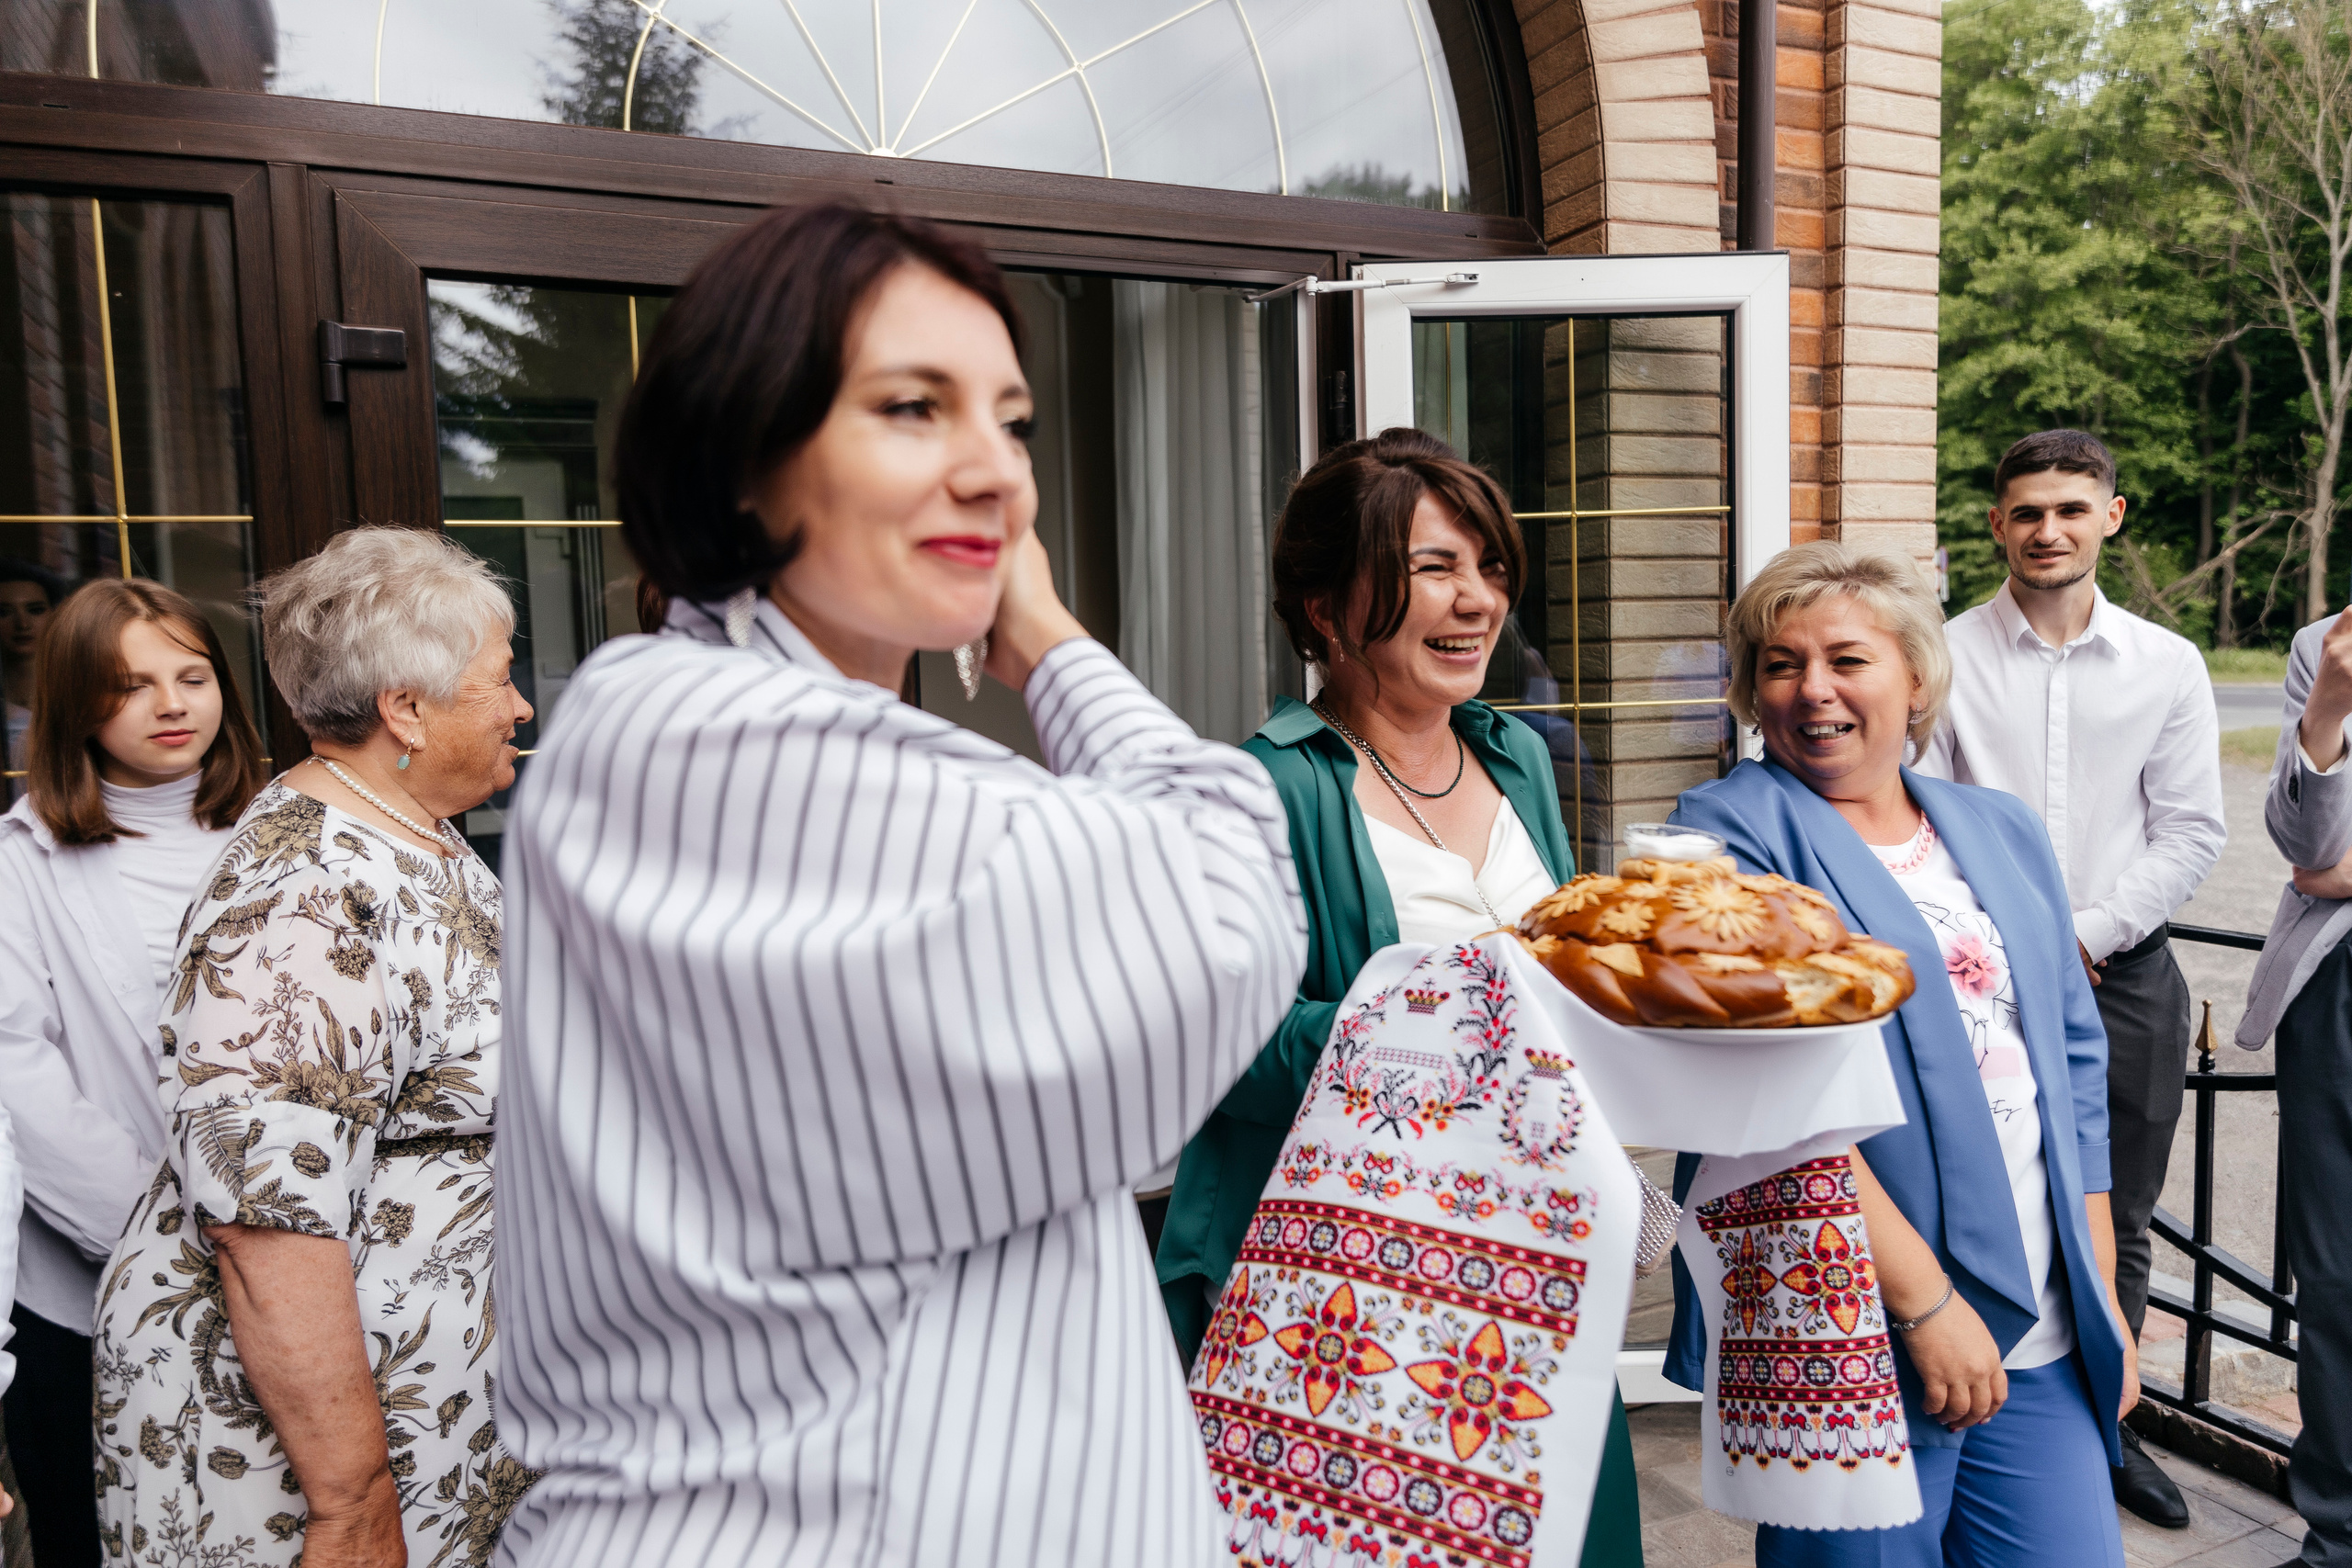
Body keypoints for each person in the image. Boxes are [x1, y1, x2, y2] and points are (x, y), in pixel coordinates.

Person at [490, 203, 1306, 1567]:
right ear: (743, 461)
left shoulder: (841, 750)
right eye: (914, 407)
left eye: (1013, 419)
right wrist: (1047, 639)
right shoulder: (690, 732)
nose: (997, 474)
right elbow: (1225, 902)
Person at [1152, 426, 1645, 1566]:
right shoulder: (1257, 789)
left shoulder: (1515, 755)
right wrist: (1468, 1013)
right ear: (1326, 609)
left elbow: (1563, 971)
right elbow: (1222, 1052)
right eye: (1434, 569)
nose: (1477, 600)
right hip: (1357, 1299)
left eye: (1486, 567)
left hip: (1530, 1259)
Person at [1667, 540, 2133, 1567]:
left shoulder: (1998, 828)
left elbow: (2072, 1065)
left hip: (2041, 1320)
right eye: (1780, 665)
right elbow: (1768, 1105)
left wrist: (2098, 1295)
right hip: (1852, 1322)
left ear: (1916, 676)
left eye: (1847, 659)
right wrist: (1924, 1308)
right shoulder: (1722, 838)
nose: (1812, 691)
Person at [92, 527, 536, 1566]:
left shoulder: (414, 829)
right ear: (406, 710)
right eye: (501, 681)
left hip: (430, 1406)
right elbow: (268, 1223)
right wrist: (350, 1500)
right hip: (308, 1455)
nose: (520, 707)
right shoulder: (301, 892)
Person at [1917, 428, 2222, 1529]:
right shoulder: (1942, 655)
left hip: (2124, 974)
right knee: (1981, 1185)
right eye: (2026, 511)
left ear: (2111, 515)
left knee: (2120, 1210)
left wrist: (2080, 937)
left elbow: (2191, 831)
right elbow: (1921, 813)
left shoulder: (2167, 664)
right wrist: (2014, 950)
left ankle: (2110, 1423)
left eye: (2070, 509)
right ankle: (1986, 1397)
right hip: (1966, 972)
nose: (2048, 529)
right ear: (1997, 524)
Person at [0, 578, 268, 1568]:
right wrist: (180, 1237)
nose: (171, 703)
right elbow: (17, 1078)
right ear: (75, 703)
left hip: (297, 1279)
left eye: (192, 676)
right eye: (131, 684)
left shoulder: (280, 839)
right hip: (93, 1295)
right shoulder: (18, 867)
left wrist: (267, 1246)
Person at [2238, 605, 2352, 1568]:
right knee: (2336, 1281)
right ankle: (2336, 1537)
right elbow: (2310, 852)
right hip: (2338, 994)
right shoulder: (2325, 648)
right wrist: (2331, 704)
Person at [0, 559, 59, 808]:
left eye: (35, 610)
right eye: (3, 612)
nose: (22, 624)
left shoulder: (79, 691)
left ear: (55, 613)